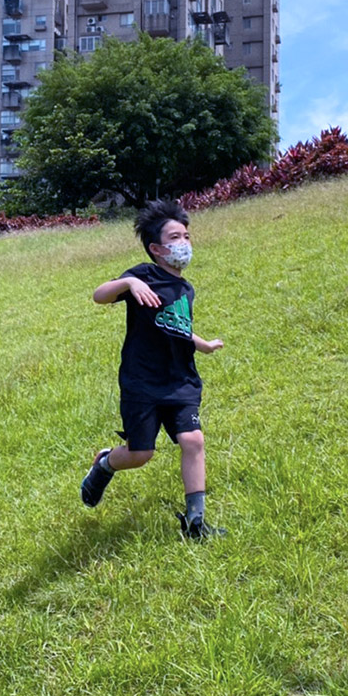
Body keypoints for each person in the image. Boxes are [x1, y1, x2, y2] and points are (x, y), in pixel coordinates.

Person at [80, 199, 227, 540]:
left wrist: (200, 342)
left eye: (188, 236)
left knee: (193, 440)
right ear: (157, 249)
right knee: (140, 453)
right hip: (142, 383)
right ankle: (104, 463)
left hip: (180, 381)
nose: (185, 243)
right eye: (176, 237)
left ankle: (195, 523)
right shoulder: (143, 275)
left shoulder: (185, 288)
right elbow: (98, 295)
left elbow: (174, 326)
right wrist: (128, 284)